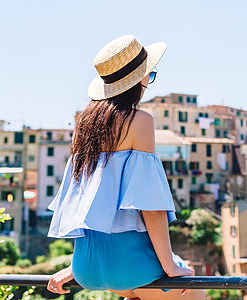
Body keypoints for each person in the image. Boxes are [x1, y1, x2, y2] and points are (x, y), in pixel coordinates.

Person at [45, 34, 206, 300]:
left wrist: (76, 267)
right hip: (130, 267)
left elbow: (83, 204)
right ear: (139, 79)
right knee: (198, 294)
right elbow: (150, 205)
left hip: (87, 269)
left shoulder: (84, 127)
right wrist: (170, 267)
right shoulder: (139, 121)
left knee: (136, 295)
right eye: (149, 75)